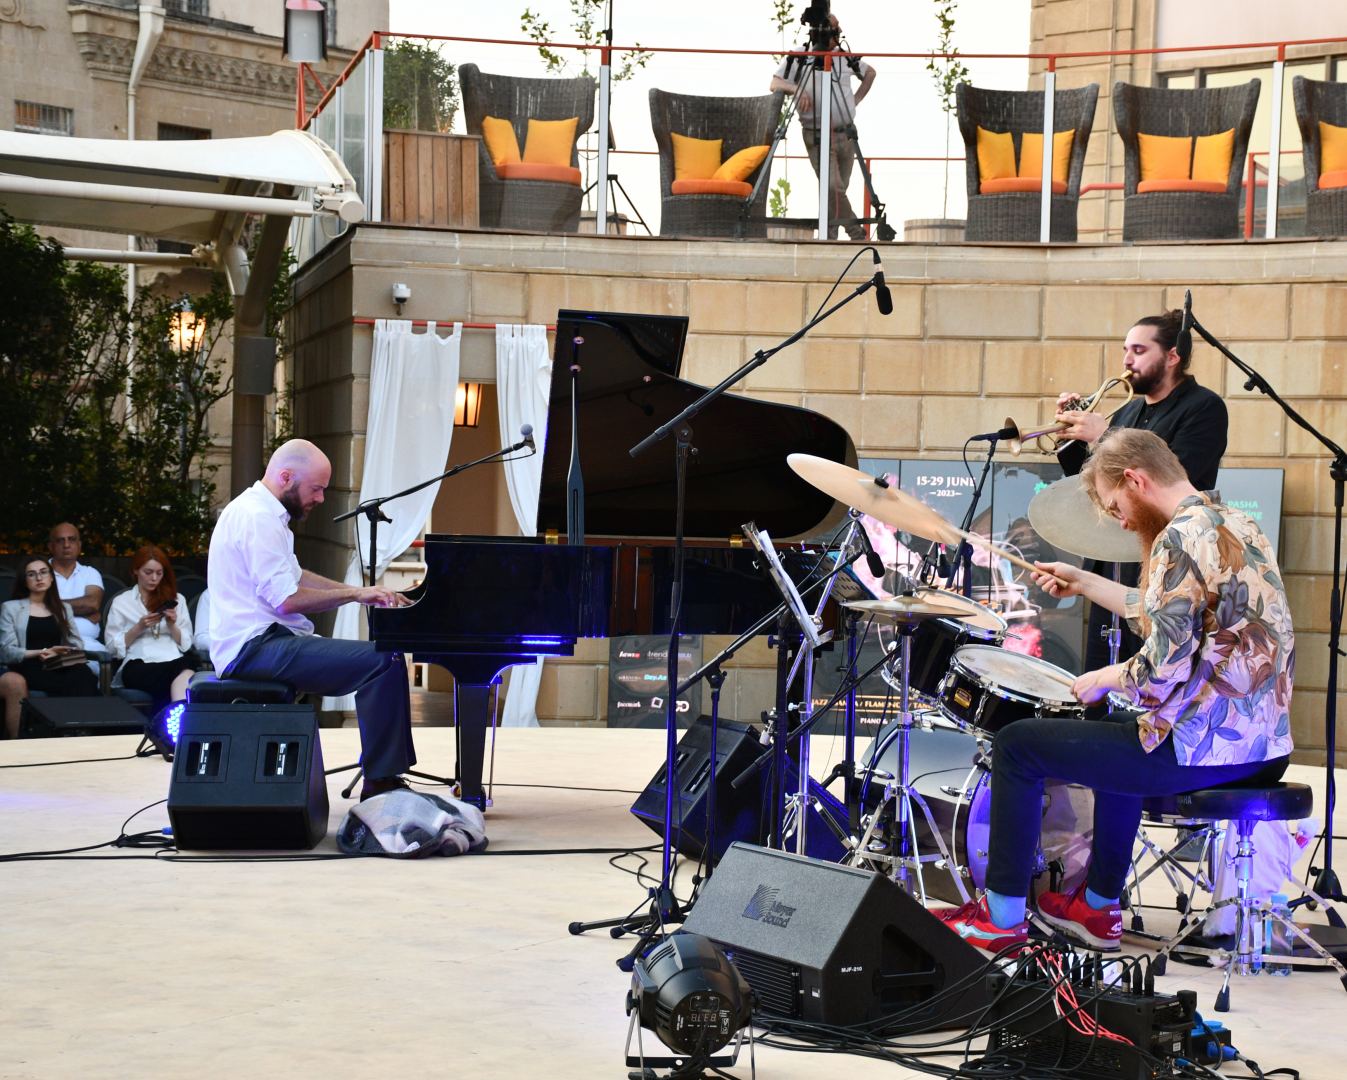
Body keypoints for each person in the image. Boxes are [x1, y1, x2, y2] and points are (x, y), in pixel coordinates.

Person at [939, 430, 1294, 952]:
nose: (1120, 520)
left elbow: (1160, 670)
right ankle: (1098, 907)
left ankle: (1002, 919)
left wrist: (1103, 678)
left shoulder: (1177, 538)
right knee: (1114, 732)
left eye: (1115, 505)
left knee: (1017, 745)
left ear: (1135, 480)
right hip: (1263, 751)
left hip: (1203, 750)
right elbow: (1171, 615)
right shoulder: (1232, 524)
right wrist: (1084, 581)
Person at [208, 438, 415, 800]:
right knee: (383, 661)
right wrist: (355, 594)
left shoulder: (262, 512)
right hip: (254, 648)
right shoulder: (259, 518)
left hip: (264, 642)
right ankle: (381, 784)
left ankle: (384, 773)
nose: (320, 498)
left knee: (382, 659)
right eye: (316, 488)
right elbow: (288, 600)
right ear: (286, 477)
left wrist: (359, 589)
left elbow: (296, 576)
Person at [1053, 309, 1228, 675]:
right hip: (1113, 559)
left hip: (1164, 559)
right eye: (1125, 350)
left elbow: (1174, 477)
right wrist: (1069, 438)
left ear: (1172, 357)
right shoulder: (1128, 411)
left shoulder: (1203, 407)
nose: (1126, 360)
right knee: (1101, 673)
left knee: (1151, 671)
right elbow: (1095, 483)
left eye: (1138, 350)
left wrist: (1103, 436)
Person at [769, 11, 875, 241]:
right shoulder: (800, 55)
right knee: (834, 188)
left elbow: (870, 73)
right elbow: (774, 82)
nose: (838, 32)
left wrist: (854, 101)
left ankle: (829, 237)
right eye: (834, 28)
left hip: (845, 134)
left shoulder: (844, 57)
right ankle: (856, 233)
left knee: (835, 191)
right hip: (816, 135)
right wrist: (795, 89)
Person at [0, 558, 98, 738]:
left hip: (56, 663)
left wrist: (61, 651)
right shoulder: (11, 608)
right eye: (31, 574)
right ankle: (65, 730)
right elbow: (7, 651)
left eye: (44, 572)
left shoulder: (63, 608)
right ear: (25, 580)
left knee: (84, 673)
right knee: (71, 681)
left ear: (51, 578)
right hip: (27, 664)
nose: (39, 577)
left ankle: (81, 732)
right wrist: (40, 652)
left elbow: (77, 644)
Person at [103, 545, 197, 712]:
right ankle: (180, 718)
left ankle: (178, 715)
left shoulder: (177, 600)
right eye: (148, 572)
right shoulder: (122, 602)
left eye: (159, 573)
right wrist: (138, 628)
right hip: (138, 663)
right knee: (183, 669)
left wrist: (171, 625)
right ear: (136, 571)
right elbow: (111, 647)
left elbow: (186, 644)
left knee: (185, 664)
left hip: (173, 660)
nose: (154, 578)